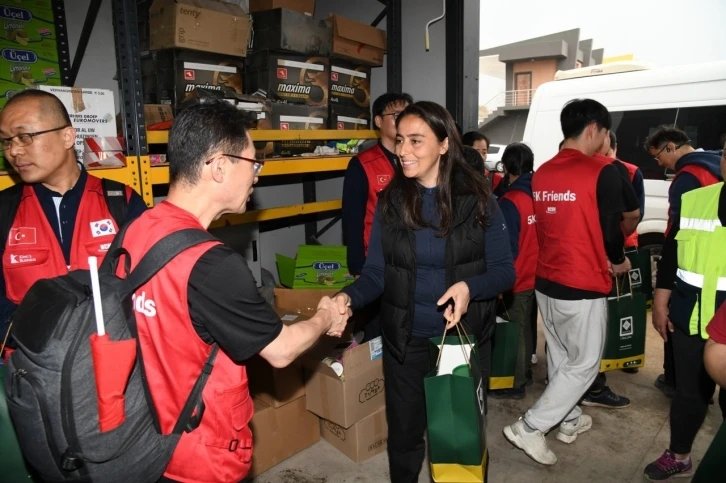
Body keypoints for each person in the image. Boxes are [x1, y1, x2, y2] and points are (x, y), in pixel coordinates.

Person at [119, 102, 349, 483]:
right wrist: (325, 315)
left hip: (146, 439)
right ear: (220, 165)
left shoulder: (138, 229)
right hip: (200, 453)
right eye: (253, 163)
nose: (256, 176)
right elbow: (281, 350)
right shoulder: (212, 264)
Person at [332, 101, 515, 482]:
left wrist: (469, 286)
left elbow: (504, 273)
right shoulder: (392, 203)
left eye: (416, 140)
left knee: (459, 437)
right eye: (400, 140)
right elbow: (376, 274)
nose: (403, 151)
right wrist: (347, 297)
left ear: (444, 145)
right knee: (404, 436)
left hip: (459, 343)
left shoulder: (478, 201)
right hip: (406, 339)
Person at [503, 99, 638, 465]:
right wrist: (618, 260)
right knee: (585, 364)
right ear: (594, 129)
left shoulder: (543, 172)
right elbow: (615, 228)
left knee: (562, 355)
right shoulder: (602, 170)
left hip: (546, 280)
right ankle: (531, 427)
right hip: (582, 282)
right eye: (605, 132)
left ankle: (570, 420)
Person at [0, 89, 147, 343]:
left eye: (25, 137)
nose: (14, 151)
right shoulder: (4, 209)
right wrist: (38, 336)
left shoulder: (121, 201)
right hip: (32, 370)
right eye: (6, 141)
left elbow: (150, 287)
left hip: (115, 362)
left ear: (67, 136)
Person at [642, 137, 726, 482]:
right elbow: (672, 253)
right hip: (690, 314)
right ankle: (679, 455)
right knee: (688, 393)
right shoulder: (694, 201)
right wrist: (660, 300)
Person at [647, 126, 723, 399]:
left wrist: (664, 286)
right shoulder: (714, 163)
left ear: (670, 147)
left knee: (676, 320)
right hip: (717, 264)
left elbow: (676, 232)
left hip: (691, 263)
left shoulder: (687, 177)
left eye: (658, 156)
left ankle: (674, 380)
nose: (659, 163)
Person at [342, 92, 412, 342]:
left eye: (408, 114)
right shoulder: (363, 165)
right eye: (396, 115)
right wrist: (358, 268)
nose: (403, 120)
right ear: (379, 121)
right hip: (378, 266)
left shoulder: (416, 161)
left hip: (412, 265)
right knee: (378, 332)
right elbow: (352, 219)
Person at [490, 142, 538, 400]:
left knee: (514, 329)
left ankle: (515, 382)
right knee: (526, 326)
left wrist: (500, 281)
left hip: (516, 277)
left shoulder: (511, 201)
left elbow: (507, 247)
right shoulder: (538, 194)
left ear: (506, 166)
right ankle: (526, 372)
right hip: (536, 274)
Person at [463, 131, 506, 195]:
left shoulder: (495, 179)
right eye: (476, 152)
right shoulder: (451, 178)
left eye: (484, 153)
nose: (481, 157)